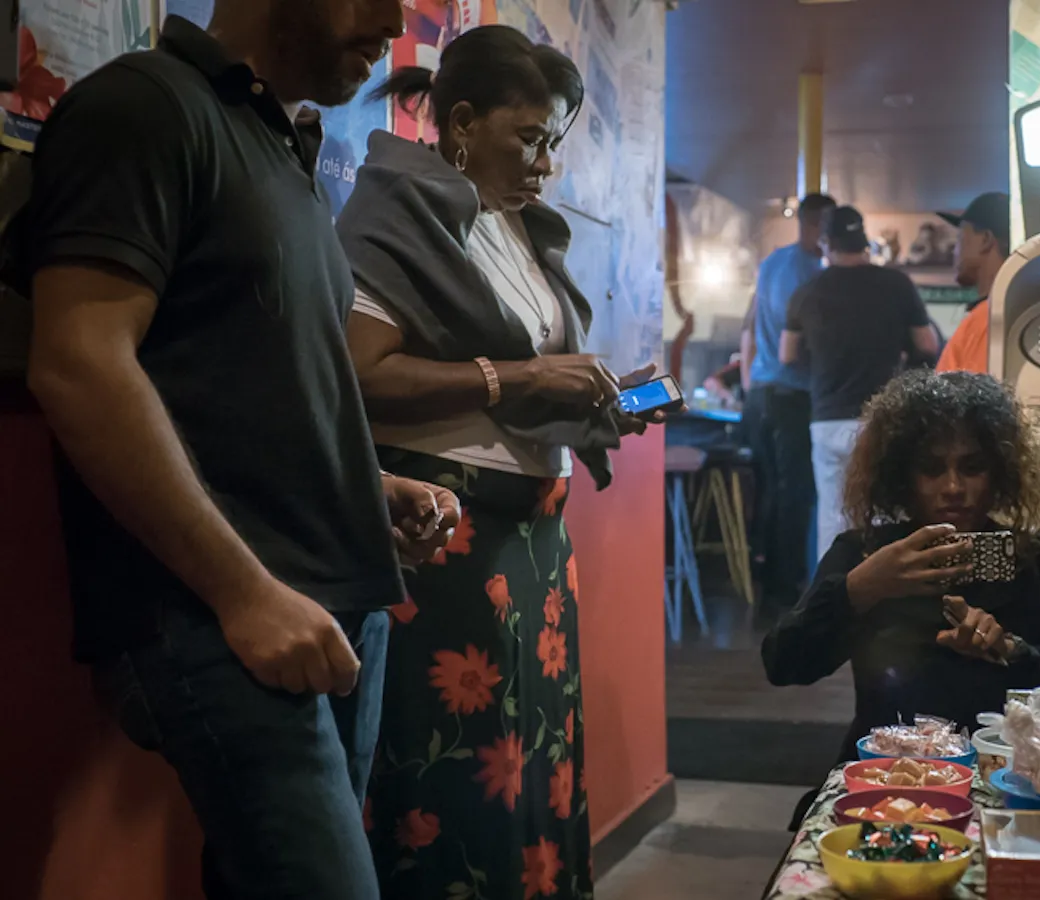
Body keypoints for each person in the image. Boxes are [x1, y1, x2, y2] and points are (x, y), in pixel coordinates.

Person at [20, 4, 464, 898]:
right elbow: (76, 364)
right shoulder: (144, 106)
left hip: (330, 608)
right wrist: (242, 593)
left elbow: (243, 386)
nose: (392, 18)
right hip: (223, 614)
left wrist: (370, 486)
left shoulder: (278, 146)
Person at [338, 27, 657, 900]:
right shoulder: (397, 208)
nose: (545, 163)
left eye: (553, 142)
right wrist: (518, 373)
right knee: (460, 764)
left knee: (536, 757)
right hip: (447, 533)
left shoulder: (514, 230)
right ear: (463, 123)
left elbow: (531, 381)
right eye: (529, 137)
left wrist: (591, 402)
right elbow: (361, 375)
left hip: (534, 540)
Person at [762, 369, 1040, 767]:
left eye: (972, 467)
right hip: (890, 774)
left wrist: (1013, 652)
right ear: (901, 474)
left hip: (1012, 773)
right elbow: (783, 663)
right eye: (931, 469)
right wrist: (858, 590)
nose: (953, 487)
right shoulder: (866, 555)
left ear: (1000, 472)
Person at [781, 205, 939, 558]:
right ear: (862, 239)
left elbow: (787, 354)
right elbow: (927, 344)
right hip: (880, 418)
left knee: (833, 518)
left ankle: (833, 602)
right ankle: (886, 604)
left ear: (826, 242)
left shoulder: (806, 292)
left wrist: (821, 366)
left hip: (827, 417)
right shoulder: (896, 284)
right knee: (882, 516)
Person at [741, 192, 835, 612]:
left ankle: (766, 581)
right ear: (817, 225)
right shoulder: (812, 273)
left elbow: (750, 326)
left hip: (762, 393)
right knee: (794, 493)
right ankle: (784, 591)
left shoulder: (772, 263)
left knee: (772, 492)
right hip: (791, 393)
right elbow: (795, 345)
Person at [937, 192, 1011, 375]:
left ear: (986, 240)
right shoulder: (1007, 313)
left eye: (960, 239)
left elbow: (974, 402)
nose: (955, 251)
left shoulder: (988, 319)